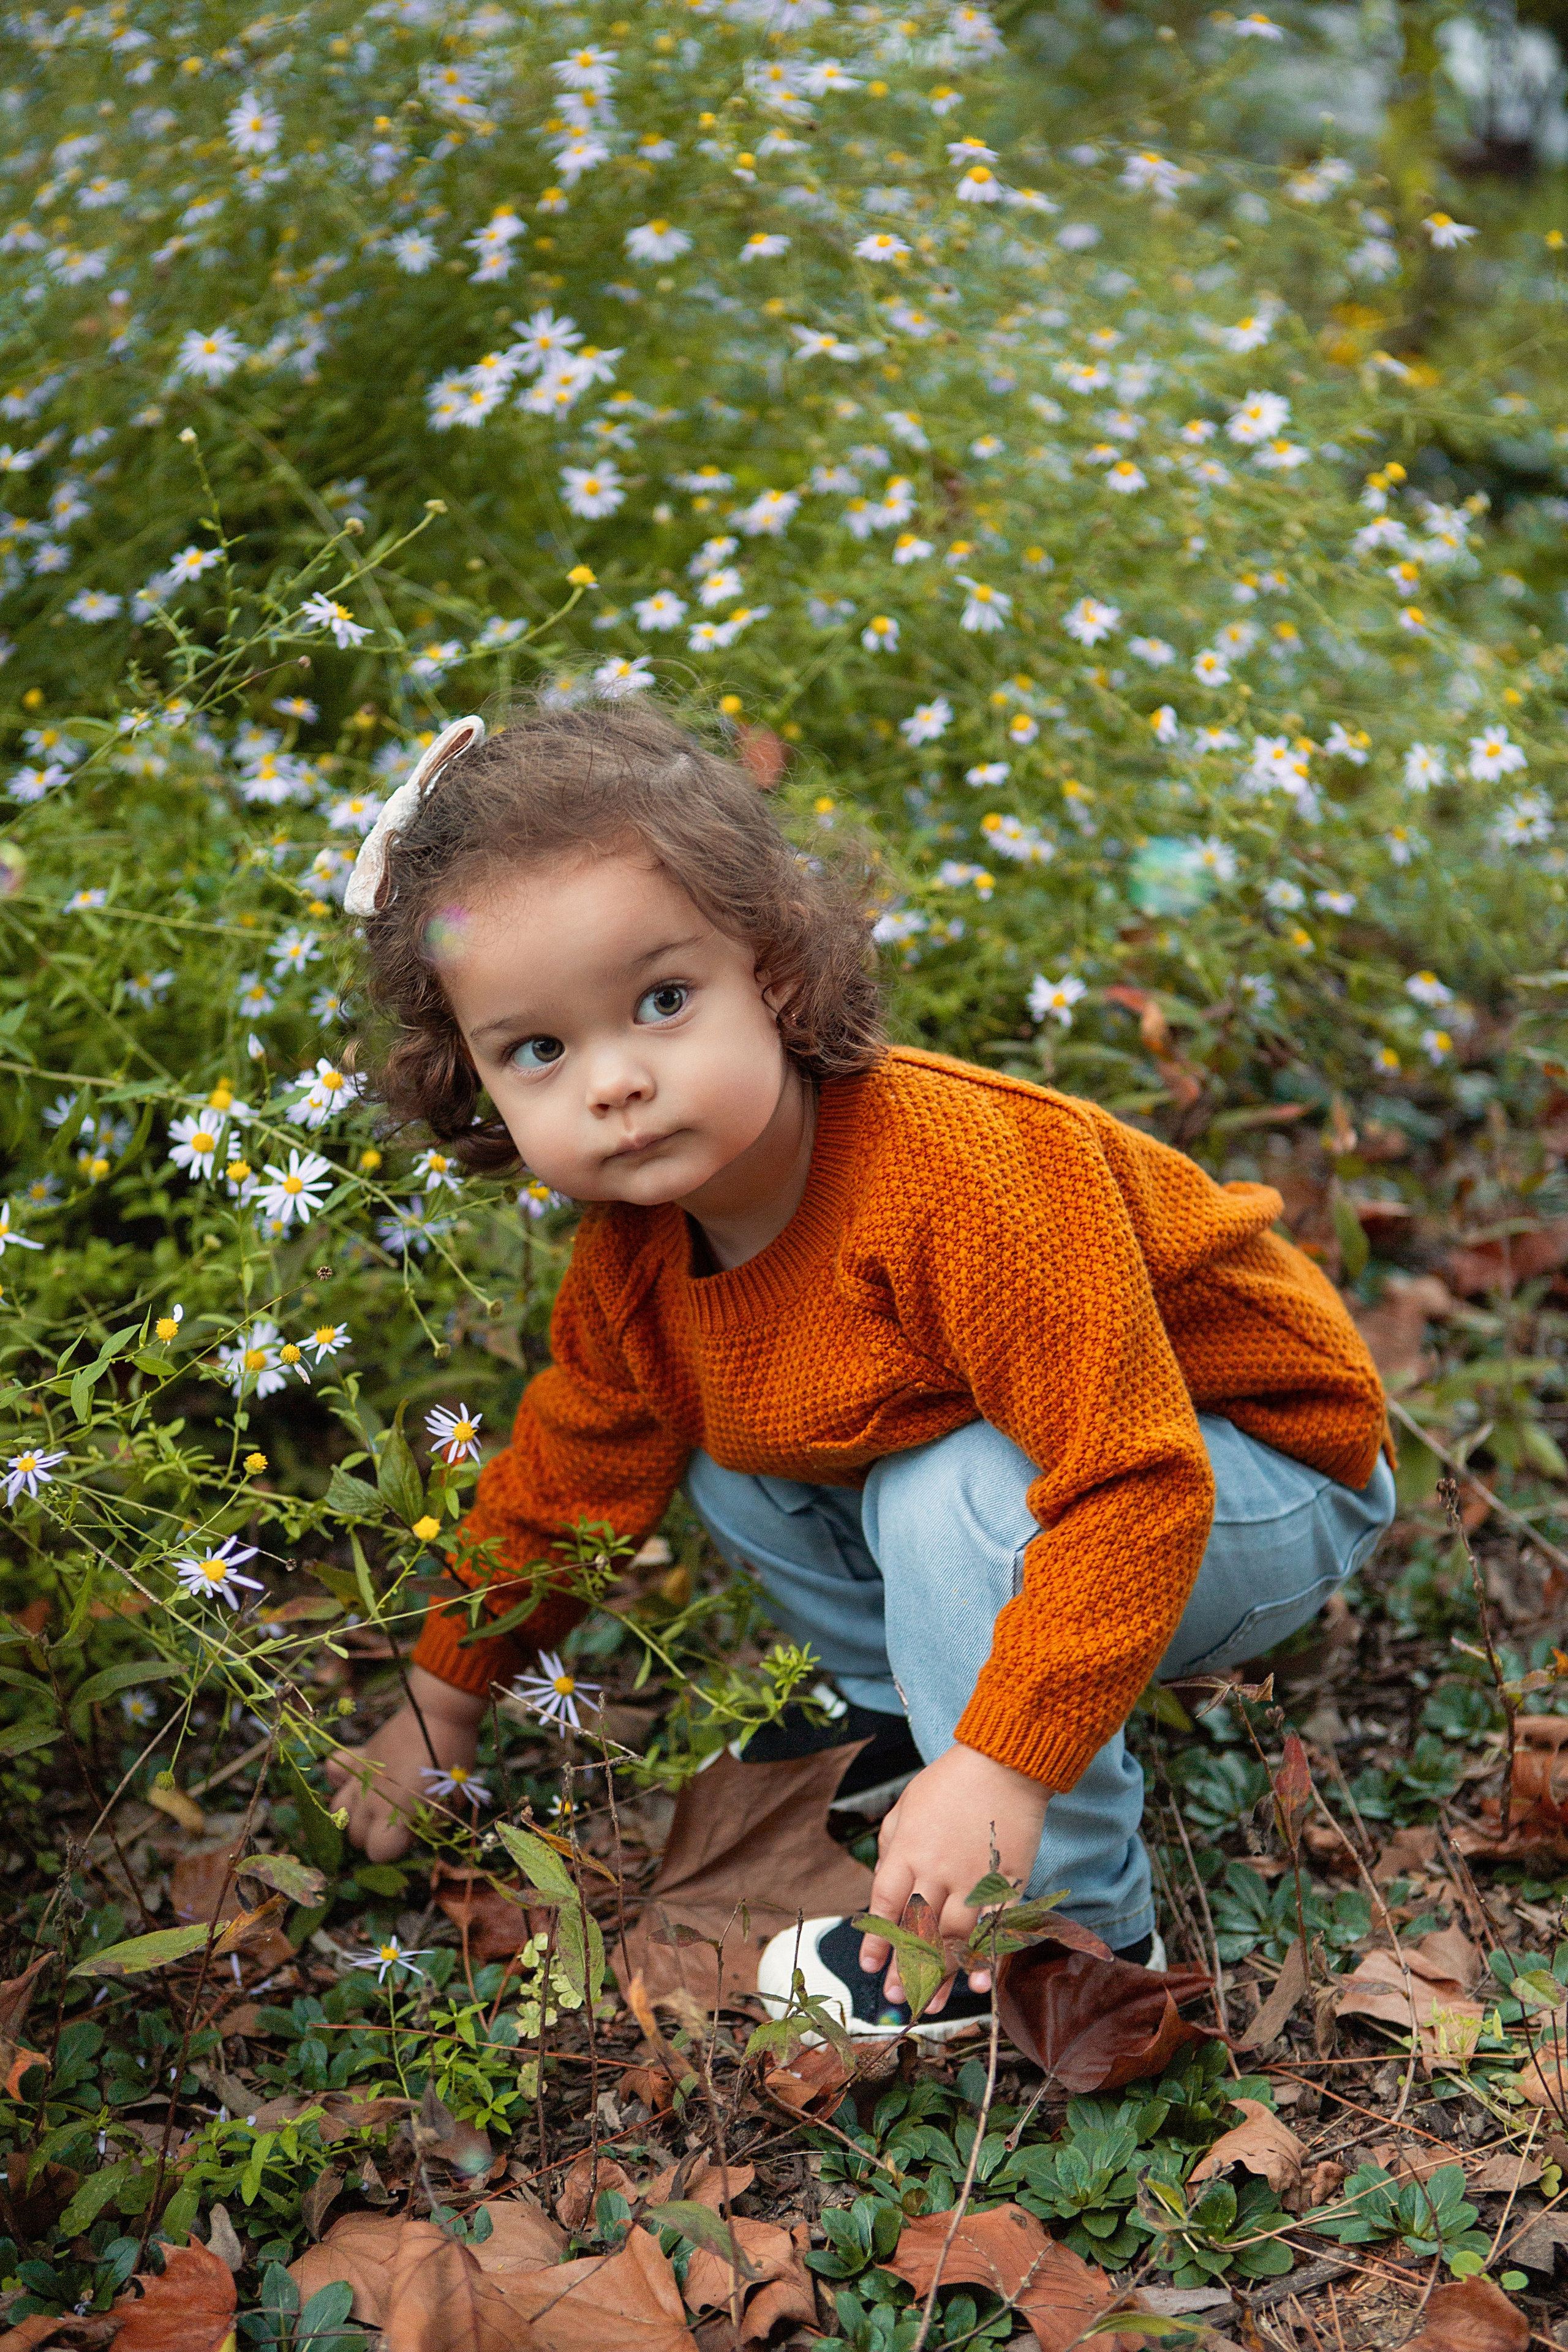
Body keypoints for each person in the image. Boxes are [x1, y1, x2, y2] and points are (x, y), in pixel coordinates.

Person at [325, 699, 1393, 2038]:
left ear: (771, 971)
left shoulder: (956, 1176)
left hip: (1251, 1474)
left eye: (662, 1001)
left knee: (942, 1492)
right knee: (708, 1435)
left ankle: (1050, 1933)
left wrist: (1004, 1765)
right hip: (1073, 1487)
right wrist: (440, 1706)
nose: (613, 1083)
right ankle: (913, 1723)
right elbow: (567, 1479)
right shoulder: (638, 1257)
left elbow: (1135, 1480)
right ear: (474, 1077)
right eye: (539, 1048)